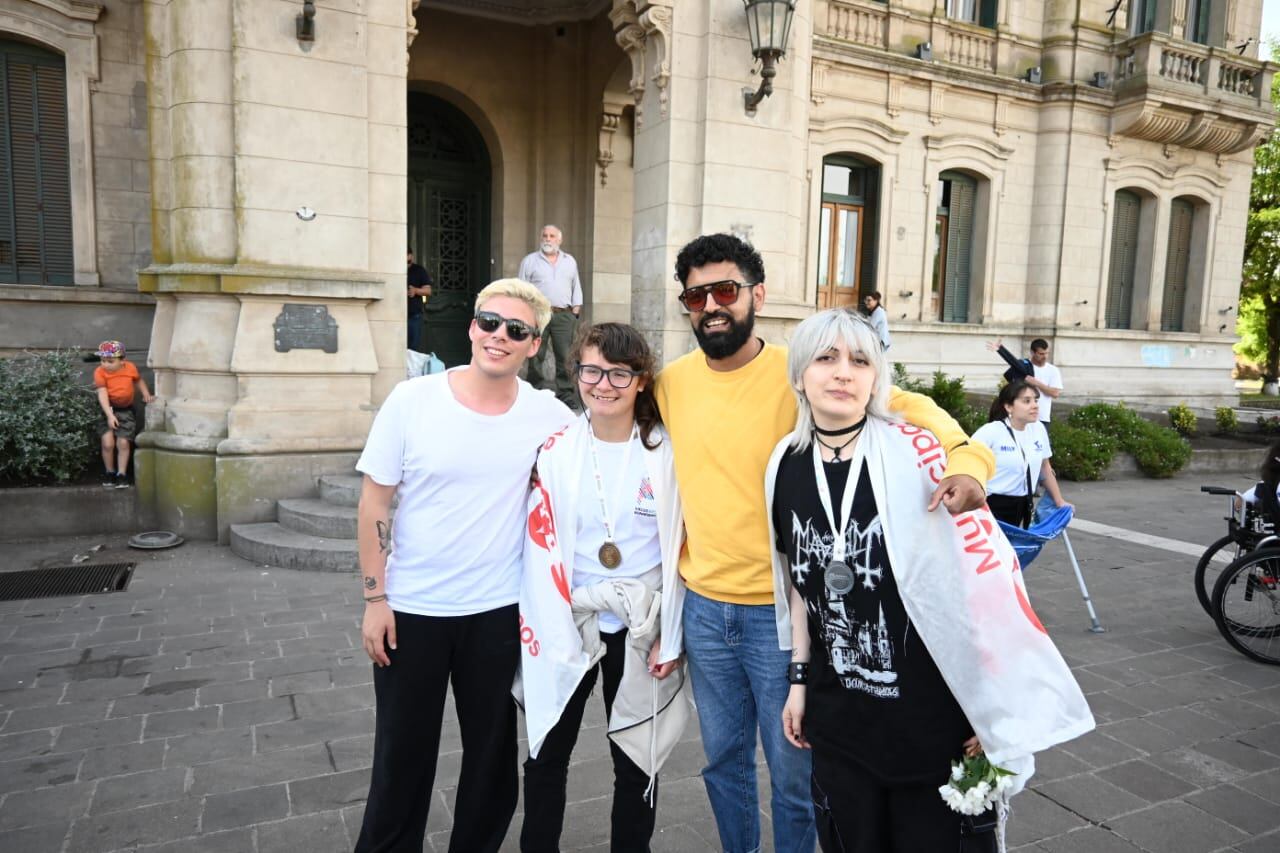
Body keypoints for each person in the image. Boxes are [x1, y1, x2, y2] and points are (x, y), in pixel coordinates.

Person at [653, 233, 995, 853]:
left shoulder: (804, 371)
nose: (711, 306)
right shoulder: (672, 382)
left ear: (756, 295)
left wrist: (969, 463)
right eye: (696, 295)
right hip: (703, 607)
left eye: (725, 290)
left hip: (782, 614)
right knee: (721, 764)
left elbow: (907, 408)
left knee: (793, 776)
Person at [767, 309, 1093, 852]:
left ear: (877, 378)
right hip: (839, 719)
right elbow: (800, 585)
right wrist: (798, 680)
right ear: (800, 374)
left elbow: (980, 585)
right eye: (826, 358)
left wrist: (989, 701)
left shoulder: (918, 454)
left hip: (929, 722)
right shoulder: (784, 462)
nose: (843, 373)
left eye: (859, 360)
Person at [353, 279, 572, 853]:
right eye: (489, 322)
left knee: (491, 760)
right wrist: (376, 600)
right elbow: (375, 500)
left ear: (534, 344)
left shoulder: (549, 415)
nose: (498, 336)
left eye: (516, 330)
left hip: (499, 614)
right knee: (402, 758)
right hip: (413, 610)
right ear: (473, 326)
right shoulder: (413, 399)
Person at [518, 322, 690, 853]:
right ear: (577, 374)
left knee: (636, 762)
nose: (604, 384)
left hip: (641, 626)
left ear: (642, 379)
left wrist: (673, 635)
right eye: (591, 370)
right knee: (547, 753)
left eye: (620, 373)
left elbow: (685, 548)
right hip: (567, 619)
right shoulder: (556, 448)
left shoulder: (668, 452)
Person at [970, 380, 1071, 529]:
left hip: (1023, 503)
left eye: (1036, 400)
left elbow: (1045, 468)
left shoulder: (1038, 429)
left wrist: (1059, 501)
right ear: (1008, 406)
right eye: (1027, 401)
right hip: (991, 504)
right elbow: (967, 464)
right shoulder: (991, 431)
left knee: (1015, 550)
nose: (1035, 405)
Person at [519, 224, 583, 407]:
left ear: (559, 240)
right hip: (538, 314)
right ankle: (535, 392)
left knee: (565, 355)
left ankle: (566, 394)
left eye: (552, 236)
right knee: (535, 354)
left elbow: (575, 285)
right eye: (545, 235)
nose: (548, 239)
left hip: (564, 315)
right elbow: (521, 289)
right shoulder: (530, 261)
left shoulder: (570, 261)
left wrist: (575, 311)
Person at [93, 340, 154, 489]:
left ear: (122, 361)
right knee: (108, 444)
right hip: (107, 410)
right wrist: (109, 415)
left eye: (110, 361)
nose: (105, 364)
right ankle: (109, 472)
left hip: (125, 410)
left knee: (123, 442)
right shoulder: (100, 372)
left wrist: (146, 393)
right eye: (102, 360)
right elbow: (102, 393)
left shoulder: (130, 368)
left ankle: (122, 474)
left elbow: (138, 380)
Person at [986, 337, 1063, 421]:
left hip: (1042, 418)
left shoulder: (1053, 370)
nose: (1045, 356)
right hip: (1022, 417)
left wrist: (1036, 383)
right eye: (1041, 354)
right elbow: (1013, 363)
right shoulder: (1025, 365)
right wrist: (1000, 350)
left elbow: (1055, 393)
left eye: (1047, 353)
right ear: (1032, 352)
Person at [406, 248, 433, 353]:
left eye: (407, 255)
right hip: (396, 316)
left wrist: (416, 291)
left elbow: (428, 291)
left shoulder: (419, 270)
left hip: (414, 316)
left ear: (411, 256)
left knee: (413, 349)